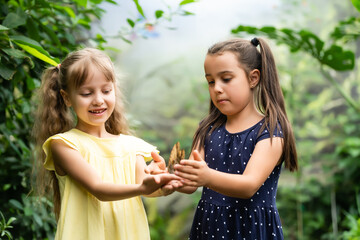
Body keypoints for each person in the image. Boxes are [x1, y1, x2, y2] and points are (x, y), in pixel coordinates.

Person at [32, 48, 179, 240]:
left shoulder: (131, 146)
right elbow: (98, 188)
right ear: (67, 97)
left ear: (114, 90)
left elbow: (144, 187)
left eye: (106, 90)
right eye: (86, 93)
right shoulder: (64, 145)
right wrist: (142, 187)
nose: (98, 100)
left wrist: (164, 184)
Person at [173, 38, 298, 240]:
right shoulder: (207, 128)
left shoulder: (270, 131)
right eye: (211, 81)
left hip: (252, 230)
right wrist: (170, 175)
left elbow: (249, 185)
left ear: (253, 78)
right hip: (209, 228)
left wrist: (207, 177)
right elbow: (191, 183)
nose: (217, 88)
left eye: (226, 79)